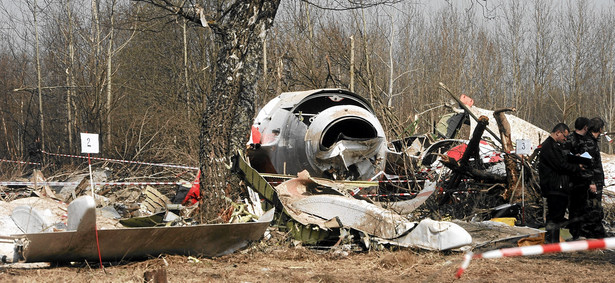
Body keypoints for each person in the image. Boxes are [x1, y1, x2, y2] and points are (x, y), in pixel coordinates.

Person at [538, 123, 583, 243]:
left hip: (558, 185)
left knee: (557, 215)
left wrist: (575, 159)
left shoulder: (555, 146)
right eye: (564, 136)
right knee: (555, 215)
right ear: (558, 132)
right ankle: (551, 241)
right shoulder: (549, 146)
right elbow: (560, 165)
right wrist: (577, 167)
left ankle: (553, 240)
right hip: (554, 186)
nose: (565, 139)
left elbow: (563, 160)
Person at [579, 117, 607, 238]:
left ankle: (593, 232)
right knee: (594, 208)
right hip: (593, 181)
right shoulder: (589, 143)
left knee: (593, 207)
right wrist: (592, 182)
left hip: (594, 180)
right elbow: (586, 164)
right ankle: (593, 233)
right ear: (600, 129)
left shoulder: (590, 141)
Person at [565, 117, 591, 240]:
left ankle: (582, 232)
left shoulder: (587, 139)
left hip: (584, 179)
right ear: (585, 127)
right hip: (573, 179)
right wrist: (576, 158)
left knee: (583, 207)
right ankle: (574, 233)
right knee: (574, 208)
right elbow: (564, 157)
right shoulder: (569, 139)